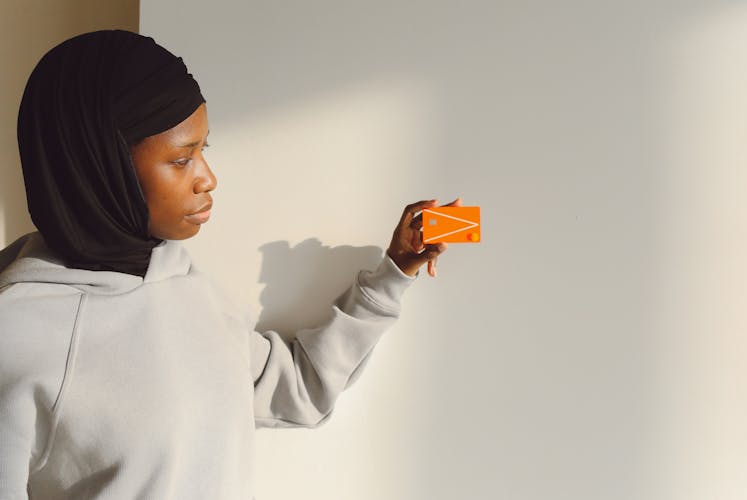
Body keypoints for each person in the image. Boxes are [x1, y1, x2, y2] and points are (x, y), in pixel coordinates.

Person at [0, 30, 456, 499]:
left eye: (204, 150)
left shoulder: (183, 284)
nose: (208, 179)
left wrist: (393, 273)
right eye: (181, 160)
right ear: (98, 165)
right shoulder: (18, 332)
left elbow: (296, 389)